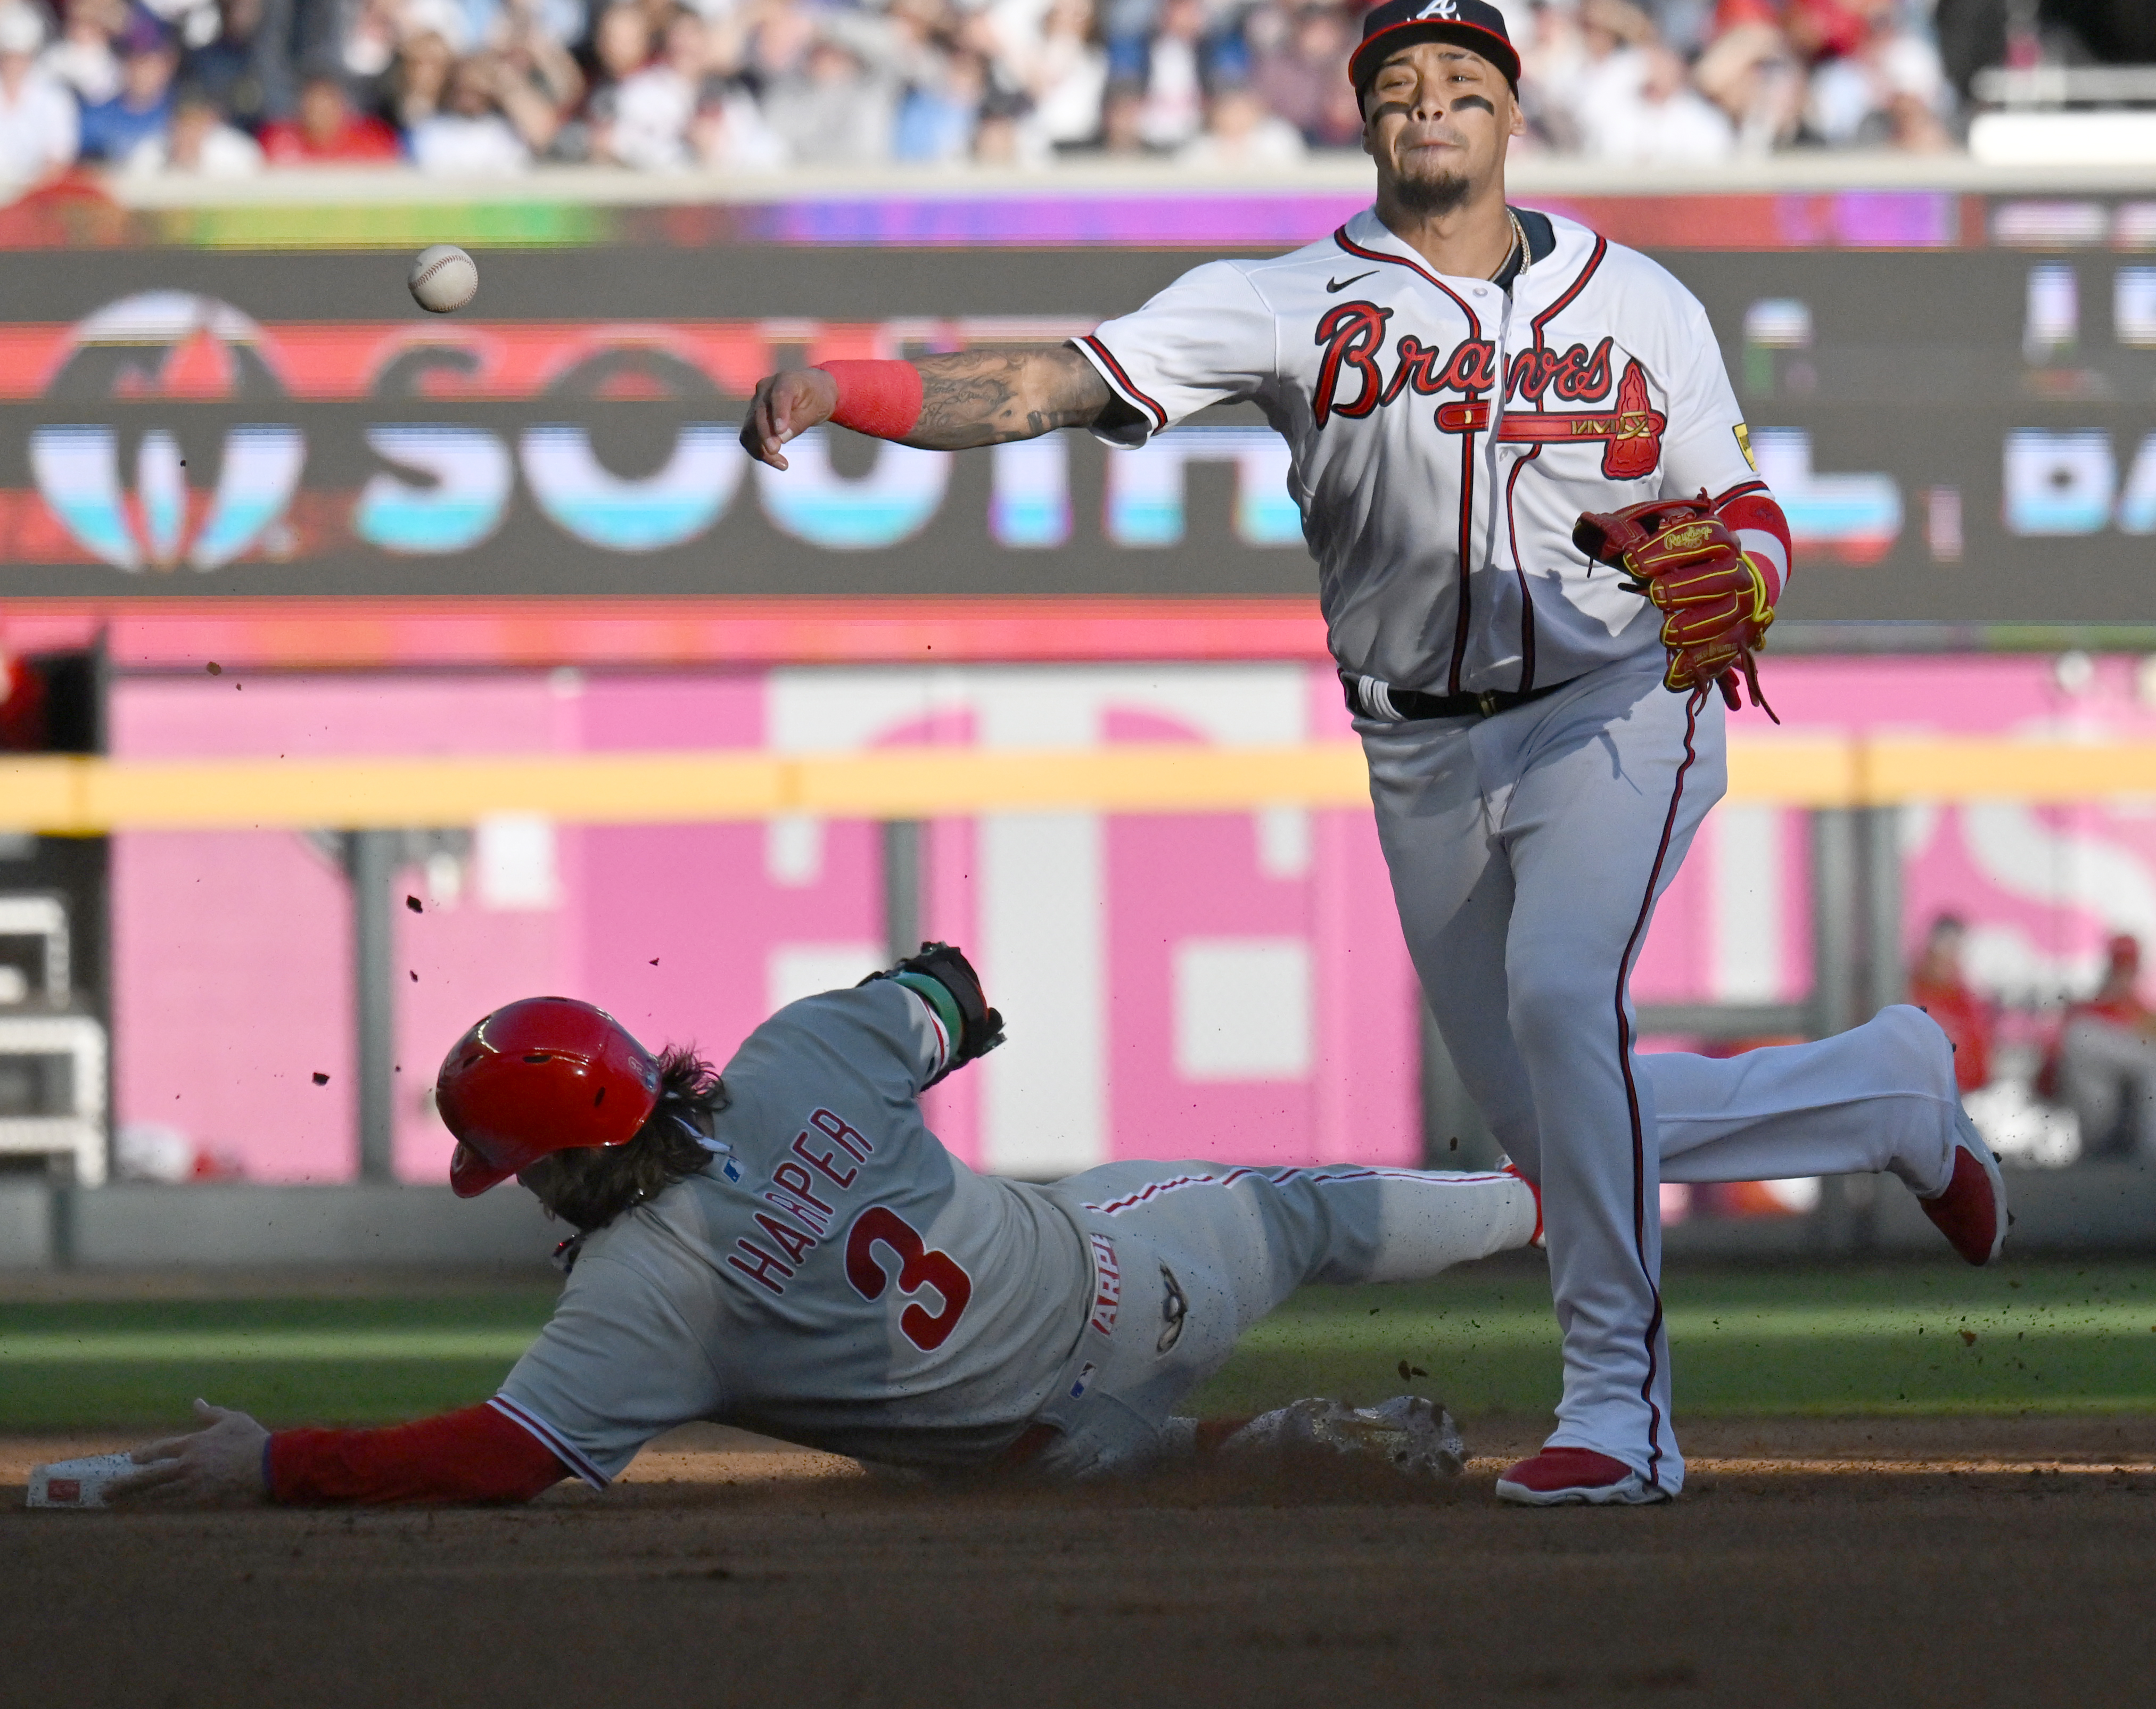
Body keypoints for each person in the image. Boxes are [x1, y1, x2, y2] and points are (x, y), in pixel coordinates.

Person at [737, 0, 2005, 1508]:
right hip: (1419, 748)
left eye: (1462, 83)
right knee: (1552, 1121)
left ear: (1513, 117)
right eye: (1397, 83)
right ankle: (1885, 1094)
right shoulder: (1283, 298)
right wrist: (848, 390)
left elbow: (1738, 507)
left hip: (1621, 701)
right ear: (1362, 122)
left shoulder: (1641, 300)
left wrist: (1757, 584)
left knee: (1558, 995)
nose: (1429, 103)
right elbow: (1053, 385)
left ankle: (1622, 1407)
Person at [110, 947, 1538, 1505]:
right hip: (1144, 1285)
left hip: (1059, 1454)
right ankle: (1553, 1203)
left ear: (551, 1166)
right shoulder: (798, 1054)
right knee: (1292, 1214)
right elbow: (954, 989)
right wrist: (927, 1019)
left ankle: (1283, 1446)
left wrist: (273, 1460)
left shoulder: (635, 1297)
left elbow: (498, 1454)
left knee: (1032, 1458)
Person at [2052, 933, 2156, 1162]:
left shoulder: (2143, 1014)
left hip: (2130, 1110)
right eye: (2119, 966)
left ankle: (2148, 1154)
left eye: (2128, 967)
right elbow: (2057, 1056)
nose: (2123, 975)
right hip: (2095, 1101)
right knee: (2081, 1036)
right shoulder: (2089, 1010)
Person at [1907, 912, 1991, 1094]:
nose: (1945, 959)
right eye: (1940, 951)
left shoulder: (1968, 1004)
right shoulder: (1905, 992)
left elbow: (1980, 1069)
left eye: (1953, 950)